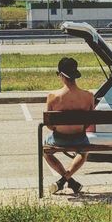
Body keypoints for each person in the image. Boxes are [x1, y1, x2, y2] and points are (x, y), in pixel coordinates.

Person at [42, 57, 92, 194]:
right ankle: (69, 180)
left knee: (45, 150)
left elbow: (49, 126)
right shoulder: (88, 96)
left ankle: (64, 181)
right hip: (80, 138)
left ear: (62, 75)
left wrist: (58, 129)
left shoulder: (53, 96)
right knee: (83, 151)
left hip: (59, 138)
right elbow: (89, 122)